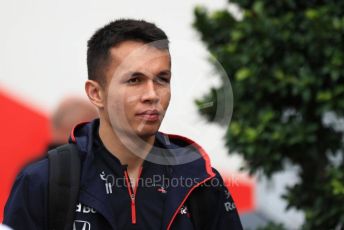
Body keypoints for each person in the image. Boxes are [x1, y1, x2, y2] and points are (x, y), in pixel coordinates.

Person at [3, 19, 243, 229]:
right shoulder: (43, 180)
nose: (152, 94)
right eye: (134, 80)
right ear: (96, 93)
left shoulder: (200, 180)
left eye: (162, 79)